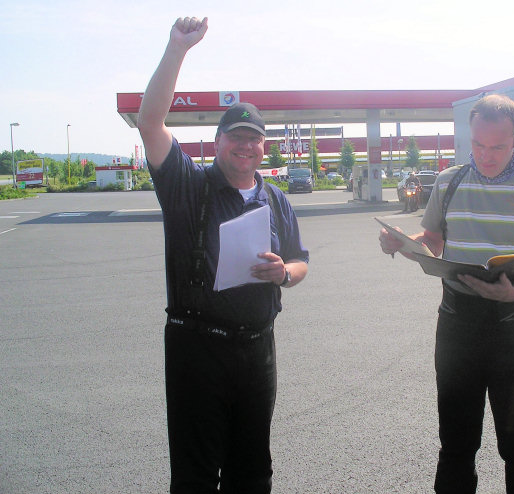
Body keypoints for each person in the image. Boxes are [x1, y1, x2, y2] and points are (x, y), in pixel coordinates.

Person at [137, 17, 309, 494]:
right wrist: (177, 49)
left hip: (257, 349)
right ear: (218, 143)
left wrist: (284, 273)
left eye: (254, 138)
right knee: (195, 477)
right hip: (197, 350)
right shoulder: (188, 186)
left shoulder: (275, 199)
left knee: (252, 473)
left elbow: (300, 262)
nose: (245, 146)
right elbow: (150, 122)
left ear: (263, 147)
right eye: (236, 137)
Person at [379, 94, 514, 494]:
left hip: (513, 328)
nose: (485, 156)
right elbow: (432, 240)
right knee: (456, 446)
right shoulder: (448, 183)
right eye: (478, 145)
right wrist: (403, 242)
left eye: (497, 147)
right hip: (457, 326)